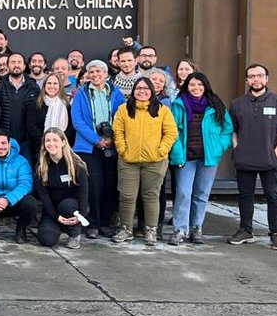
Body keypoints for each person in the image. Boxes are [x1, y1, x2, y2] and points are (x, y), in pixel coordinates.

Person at [227, 64, 277, 250]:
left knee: (273, 196)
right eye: (251, 76)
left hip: (270, 160)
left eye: (259, 76)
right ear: (247, 80)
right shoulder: (237, 103)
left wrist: (276, 153)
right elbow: (231, 129)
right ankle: (246, 230)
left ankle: (276, 233)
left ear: (267, 78)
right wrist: (237, 148)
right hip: (245, 158)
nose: (255, 79)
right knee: (245, 196)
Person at [169, 71, 233, 245]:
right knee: (183, 193)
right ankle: (180, 229)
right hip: (186, 157)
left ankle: (196, 227)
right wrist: (176, 152)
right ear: (186, 87)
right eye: (192, 85)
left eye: (199, 85)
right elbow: (172, 130)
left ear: (205, 86)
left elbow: (227, 130)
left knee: (201, 194)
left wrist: (219, 146)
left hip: (208, 157)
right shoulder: (179, 104)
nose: (196, 88)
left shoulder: (216, 104)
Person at [112, 76, 177, 245]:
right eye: (138, 88)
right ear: (133, 91)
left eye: (146, 88)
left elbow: (171, 133)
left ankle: (151, 230)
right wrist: (123, 150)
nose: (142, 91)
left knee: (151, 196)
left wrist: (161, 151)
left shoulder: (162, 110)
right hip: (128, 161)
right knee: (127, 196)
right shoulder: (124, 109)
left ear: (152, 91)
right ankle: (126, 229)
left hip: (155, 161)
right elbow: (117, 131)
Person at [70, 59, 125, 238]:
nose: (95, 75)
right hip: (88, 147)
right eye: (91, 72)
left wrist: (111, 138)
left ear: (105, 74)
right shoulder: (81, 93)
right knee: (94, 185)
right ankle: (93, 223)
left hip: (112, 145)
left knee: (110, 184)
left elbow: (122, 116)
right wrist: (96, 140)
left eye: (98, 72)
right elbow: (77, 121)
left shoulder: (116, 92)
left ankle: (105, 223)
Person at [33, 128, 89, 249]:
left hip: (72, 207)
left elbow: (83, 192)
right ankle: (61, 225)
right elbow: (43, 196)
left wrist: (81, 215)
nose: (51, 144)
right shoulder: (41, 167)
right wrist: (55, 216)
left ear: (63, 142)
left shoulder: (77, 164)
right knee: (46, 240)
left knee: (67, 205)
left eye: (55, 140)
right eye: (47, 140)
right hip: (52, 209)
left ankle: (74, 232)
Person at [0, 53, 40, 161]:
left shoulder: (33, 87)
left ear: (24, 66)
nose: (16, 65)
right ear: (8, 66)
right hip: (5, 140)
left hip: (27, 141)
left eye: (19, 62)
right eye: (13, 62)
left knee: (27, 172)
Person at [26, 72, 74, 154]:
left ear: (60, 86)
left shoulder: (67, 105)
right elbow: (32, 128)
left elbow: (70, 128)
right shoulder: (35, 103)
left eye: (55, 83)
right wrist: (47, 142)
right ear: (44, 85)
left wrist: (58, 142)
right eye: (49, 83)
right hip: (41, 148)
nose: (52, 86)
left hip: (63, 148)